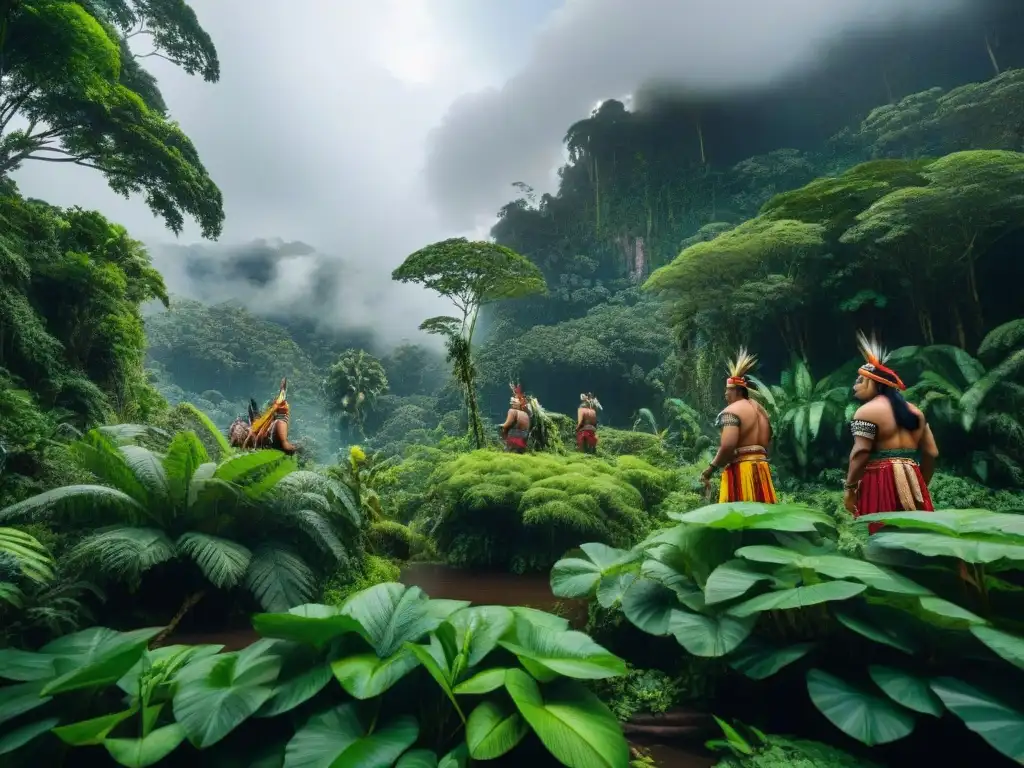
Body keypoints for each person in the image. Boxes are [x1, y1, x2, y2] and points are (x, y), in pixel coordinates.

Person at [844, 332, 937, 534]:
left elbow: (860, 453)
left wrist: (850, 489)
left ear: (873, 382)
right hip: (913, 477)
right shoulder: (916, 412)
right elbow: (932, 453)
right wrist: (921, 483)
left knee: (882, 535)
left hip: (879, 480)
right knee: (919, 537)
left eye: (860, 380)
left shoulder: (866, 412)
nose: (855, 386)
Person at [700, 348, 777, 503]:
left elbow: (728, 446)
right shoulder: (760, 410)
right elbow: (770, 441)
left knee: (740, 522)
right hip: (762, 470)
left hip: (742, 472)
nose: (725, 394)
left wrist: (710, 469)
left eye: (727, 391)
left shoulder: (732, 411)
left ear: (737, 391)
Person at [500, 383, 531, 454]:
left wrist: (500, 426)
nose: (512, 403)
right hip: (523, 442)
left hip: (513, 441)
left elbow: (506, 425)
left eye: (513, 402)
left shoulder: (512, 411)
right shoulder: (526, 415)